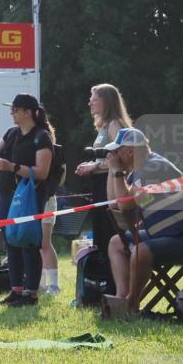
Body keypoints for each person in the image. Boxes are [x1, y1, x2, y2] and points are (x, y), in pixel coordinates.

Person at [104, 128, 183, 316]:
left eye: (117, 151)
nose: (114, 155)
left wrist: (117, 171)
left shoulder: (152, 169)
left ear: (130, 151)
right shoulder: (141, 168)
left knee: (141, 253)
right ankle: (121, 298)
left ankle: (131, 306)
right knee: (116, 243)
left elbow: (124, 205)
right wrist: (113, 169)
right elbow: (114, 202)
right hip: (168, 233)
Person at [0, 94, 54, 307]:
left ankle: (31, 293)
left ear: (28, 112)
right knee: (11, 242)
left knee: (28, 241)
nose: (12, 113)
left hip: (30, 196)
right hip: (7, 194)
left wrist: (13, 167)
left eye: (15, 109)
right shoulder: (11, 134)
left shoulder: (41, 136)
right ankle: (16, 290)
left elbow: (42, 172)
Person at [74, 84, 133, 253]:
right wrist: (92, 165)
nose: (90, 103)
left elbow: (122, 158)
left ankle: (111, 274)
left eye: (94, 100)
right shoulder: (104, 126)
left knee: (108, 230)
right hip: (100, 183)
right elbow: (104, 157)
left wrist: (95, 166)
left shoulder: (115, 124)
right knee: (100, 229)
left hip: (111, 184)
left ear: (106, 101)